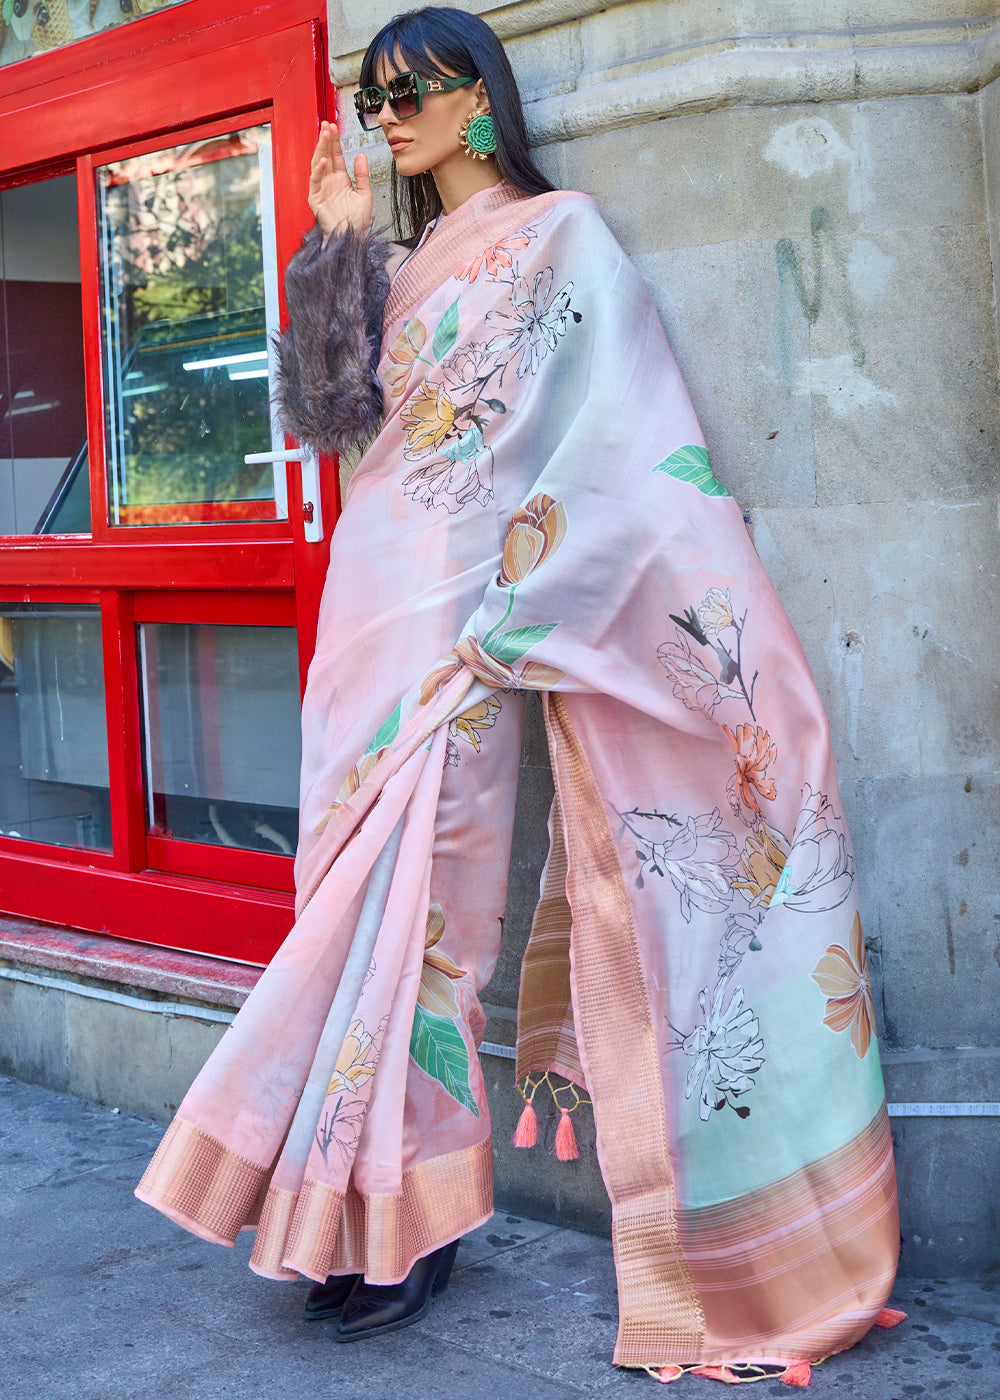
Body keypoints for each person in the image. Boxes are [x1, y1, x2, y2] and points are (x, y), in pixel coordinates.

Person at [137, 6, 902, 1380]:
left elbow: (622, 443)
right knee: (339, 912)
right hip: (364, 622)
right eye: (373, 98)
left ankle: (413, 1221)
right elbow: (335, 421)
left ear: (478, 97)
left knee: (430, 925)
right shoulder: (402, 260)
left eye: (410, 93)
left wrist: (521, 615)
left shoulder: (563, 240)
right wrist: (336, 243)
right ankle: (349, 1211)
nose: (387, 118)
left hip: (466, 638)